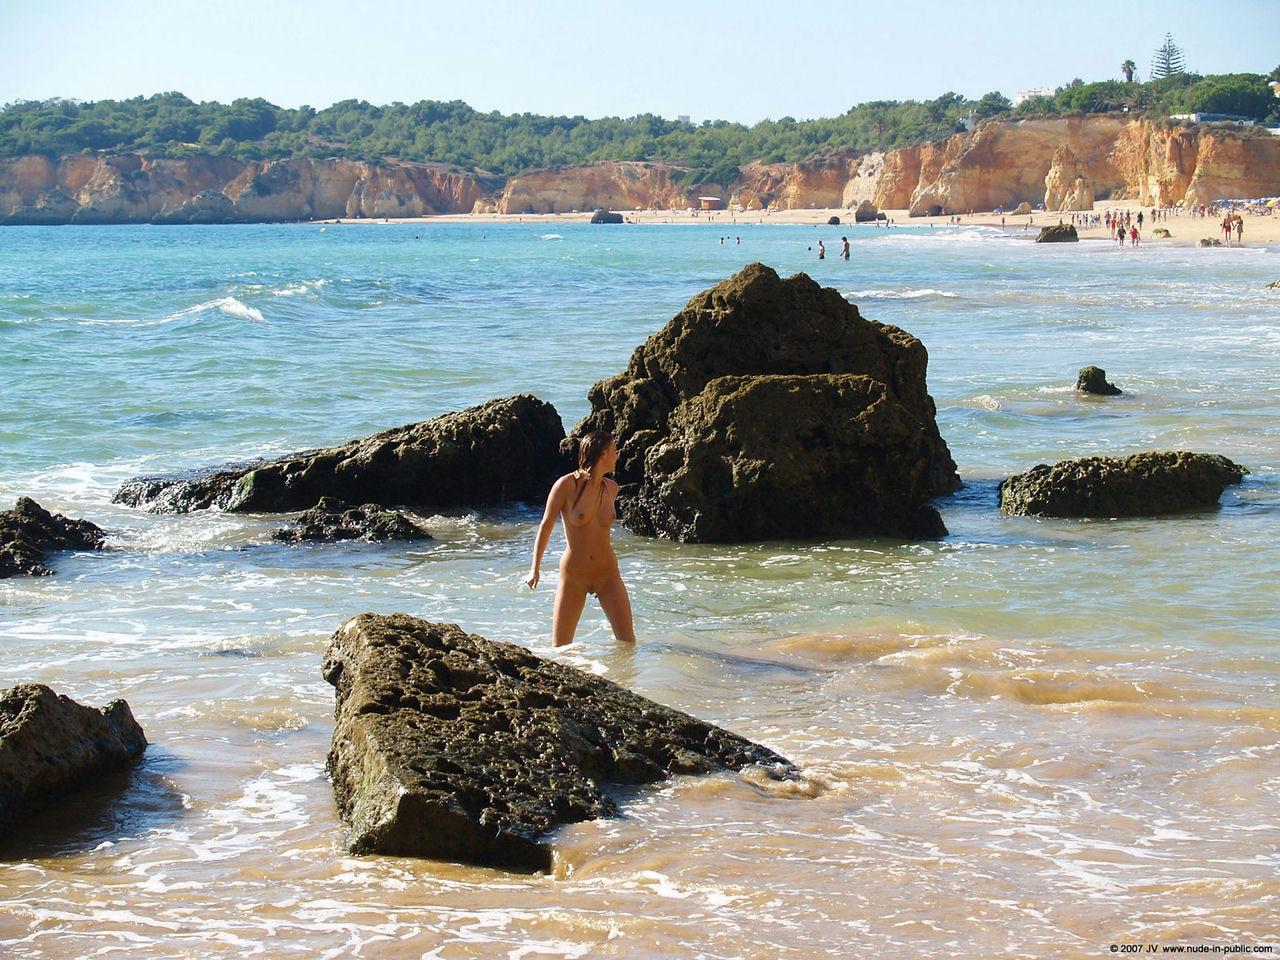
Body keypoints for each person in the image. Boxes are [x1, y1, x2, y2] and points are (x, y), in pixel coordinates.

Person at [526, 430, 636, 647]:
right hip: (574, 576)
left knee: (628, 644)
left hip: (607, 575)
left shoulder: (612, 488)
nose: (617, 456)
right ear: (603, 454)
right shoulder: (566, 486)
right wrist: (534, 569)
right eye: (614, 451)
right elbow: (546, 526)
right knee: (561, 648)